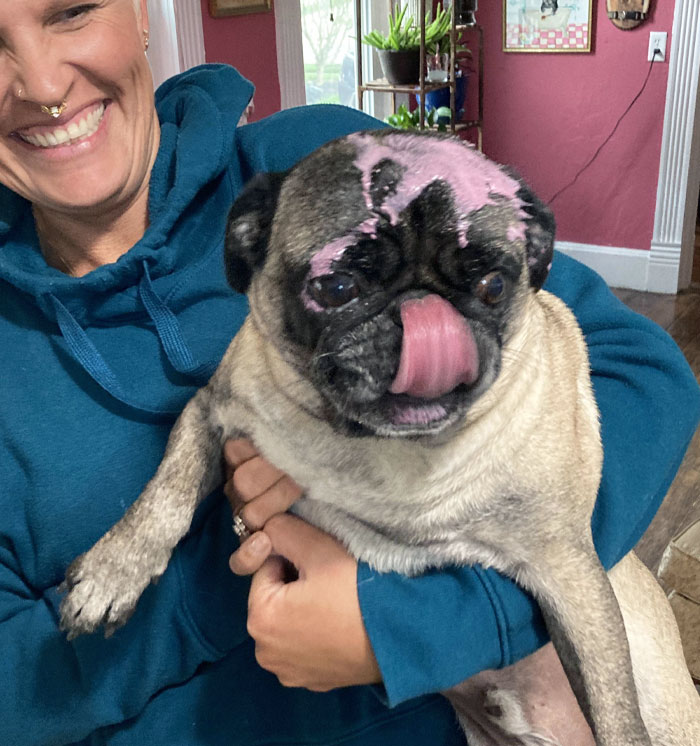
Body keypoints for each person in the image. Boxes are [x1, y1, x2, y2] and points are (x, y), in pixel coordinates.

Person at [0, 2, 697, 745]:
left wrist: (408, 625)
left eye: (71, 12)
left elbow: (642, 370)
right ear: (250, 259)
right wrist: (230, 571)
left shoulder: (342, 163)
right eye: (337, 288)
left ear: (140, 13)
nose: (43, 83)